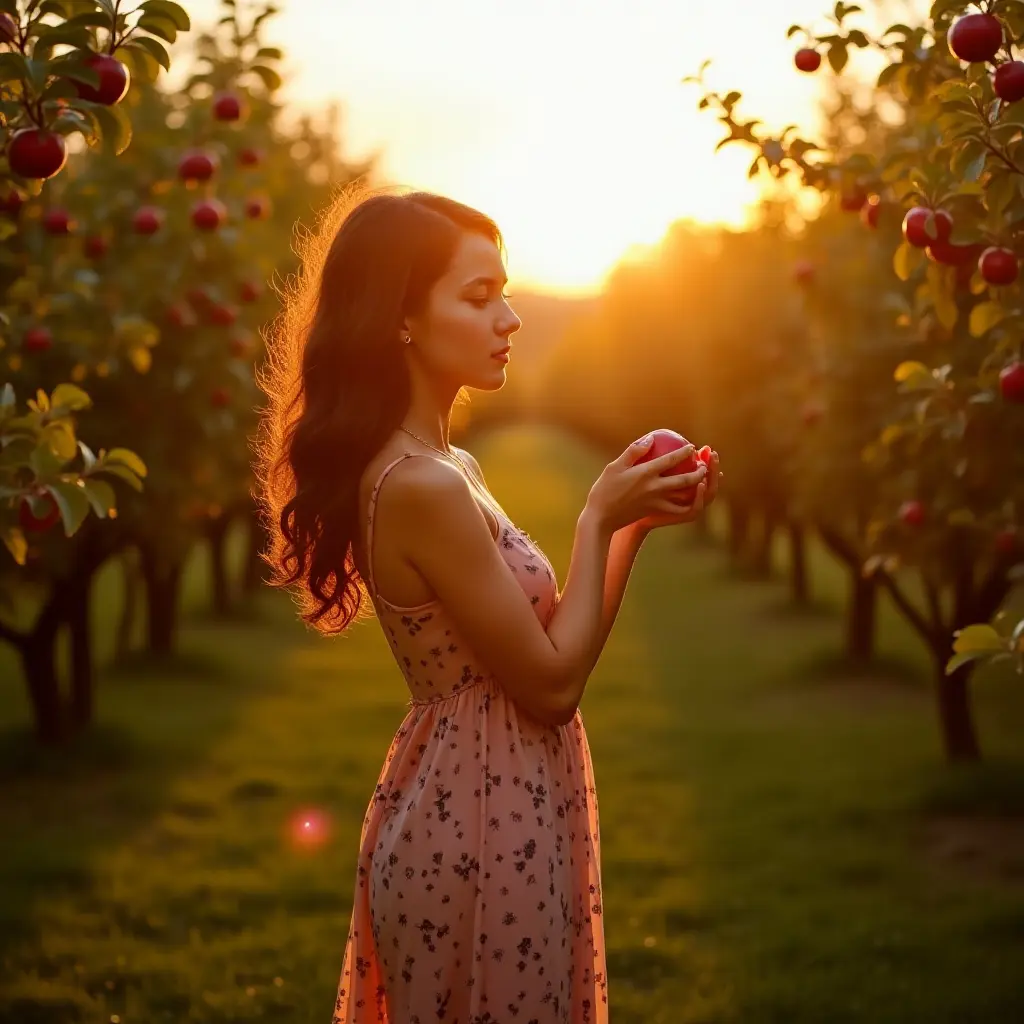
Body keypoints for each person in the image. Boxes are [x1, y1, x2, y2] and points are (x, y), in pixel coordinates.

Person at [253, 182, 721, 1023]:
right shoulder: (421, 485)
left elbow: (548, 650)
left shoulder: (450, 468)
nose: (508, 318)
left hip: (497, 794)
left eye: (505, 291)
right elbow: (549, 687)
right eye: (478, 296)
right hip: (475, 821)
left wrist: (630, 526)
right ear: (401, 317)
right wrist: (596, 515)